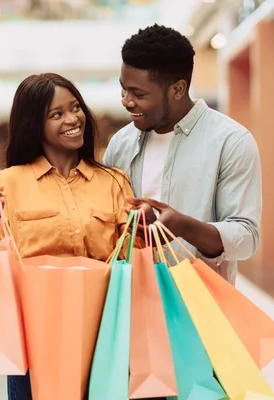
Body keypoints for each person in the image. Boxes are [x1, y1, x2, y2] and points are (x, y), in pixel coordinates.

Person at [0, 73, 135, 400]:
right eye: (56, 114)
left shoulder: (114, 181)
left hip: (102, 334)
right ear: (34, 125)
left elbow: (131, 255)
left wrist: (140, 229)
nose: (72, 119)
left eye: (75, 108)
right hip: (34, 339)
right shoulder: (10, 181)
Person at [104, 24, 262, 285]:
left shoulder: (231, 141)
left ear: (177, 89)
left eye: (139, 94)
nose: (126, 101)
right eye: (124, 89)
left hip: (202, 309)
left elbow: (246, 238)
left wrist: (183, 227)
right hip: (133, 302)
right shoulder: (120, 144)